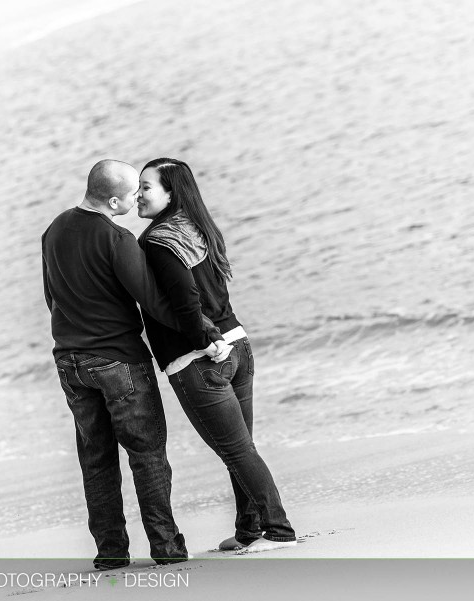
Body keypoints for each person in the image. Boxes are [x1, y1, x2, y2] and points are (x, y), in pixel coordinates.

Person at [41, 159, 229, 570]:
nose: (137, 199)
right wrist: (205, 329)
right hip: (119, 361)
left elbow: (50, 298)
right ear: (113, 199)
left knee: (96, 459)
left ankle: (110, 552)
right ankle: (166, 548)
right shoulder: (117, 238)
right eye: (131, 194)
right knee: (147, 454)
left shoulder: (53, 229)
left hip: (70, 362)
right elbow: (155, 301)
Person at [135, 157, 297, 553]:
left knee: (237, 450)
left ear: (171, 193)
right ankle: (249, 529)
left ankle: (278, 531)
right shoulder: (200, 228)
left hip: (201, 357)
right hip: (238, 343)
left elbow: (186, 300)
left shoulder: (156, 241)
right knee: (242, 449)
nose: (137, 195)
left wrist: (202, 340)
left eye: (146, 187)